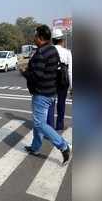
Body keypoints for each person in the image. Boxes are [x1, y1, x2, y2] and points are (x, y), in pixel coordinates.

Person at [20, 25, 71, 164]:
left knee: (39, 123)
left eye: (35, 36)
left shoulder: (41, 53)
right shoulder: (52, 49)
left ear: (41, 38)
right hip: (51, 92)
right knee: (39, 122)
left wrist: (24, 72)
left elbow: (36, 76)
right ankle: (35, 148)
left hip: (41, 94)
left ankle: (63, 146)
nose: (34, 38)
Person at [47, 29, 73, 130]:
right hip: (63, 79)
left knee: (50, 104)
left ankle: (49, 126)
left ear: (52, 40)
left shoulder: (49, 51)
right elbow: (70, 71)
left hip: (51, 80)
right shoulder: (67, 52)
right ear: (62, 40)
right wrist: (72, 87)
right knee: (61, 103)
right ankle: (59, 125)